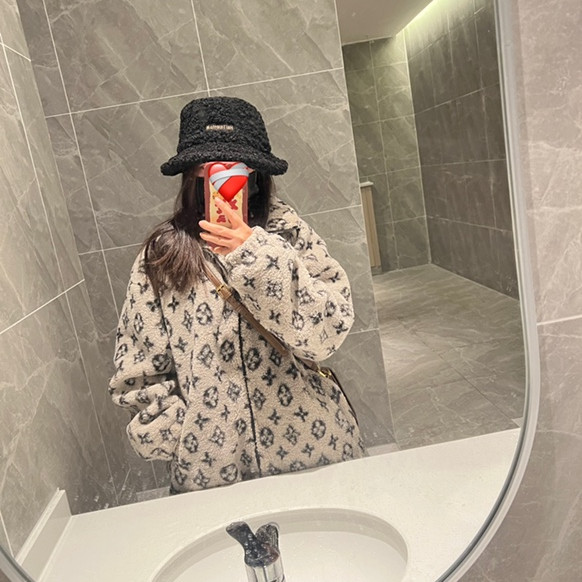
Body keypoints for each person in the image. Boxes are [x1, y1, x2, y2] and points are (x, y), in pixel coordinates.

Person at [109, 96, 366, 494]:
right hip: (213, 472)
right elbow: (138, 367)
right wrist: (186, 437)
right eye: (210, 168)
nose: (223, 181)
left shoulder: (289, 235)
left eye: (235, 168)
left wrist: (258, 254)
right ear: (191, 174)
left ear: (256, 174)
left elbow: (327, 333)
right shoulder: (162, 255)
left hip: (313, 452)